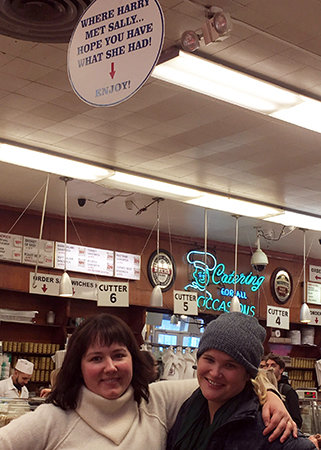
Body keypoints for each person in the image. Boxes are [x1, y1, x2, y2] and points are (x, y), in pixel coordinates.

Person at [0, 313, 298, 448]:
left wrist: (270, 393)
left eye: (119, 355)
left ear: (133, 358)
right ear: (77, 366)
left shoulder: (155, 401)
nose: (110, 367)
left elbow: (224, 381)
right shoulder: (54, 417)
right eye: (95, 358)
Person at [166, 312, 315, 450]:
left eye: (229, 365)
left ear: (247, 374)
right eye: (209, 359)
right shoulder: (190, 407)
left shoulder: (267, 426)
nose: (215, 373)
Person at [266, 352, 302, 429]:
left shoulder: (288, 391)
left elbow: (297, 420)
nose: (269, 368)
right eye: (267, 365)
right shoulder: (263, 389)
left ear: (281, 370)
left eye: (273, 365)